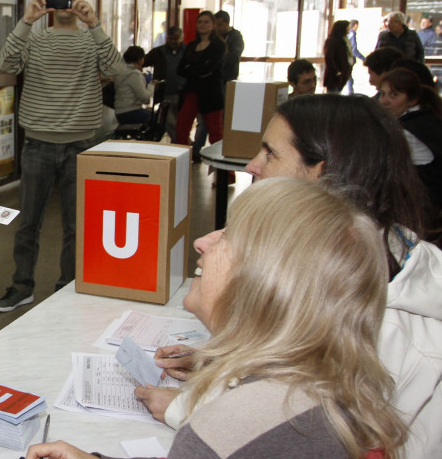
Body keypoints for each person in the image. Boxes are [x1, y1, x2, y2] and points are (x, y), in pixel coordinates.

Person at [26, 178, 407, 459]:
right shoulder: (335, 386)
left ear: (262, 282)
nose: (203, 241)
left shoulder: (228, 428)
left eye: (228, 236)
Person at [235, 95, 441, 459]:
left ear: (321, 174)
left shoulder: (383, 330)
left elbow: (309, 439)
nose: (253, 166)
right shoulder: (347, 268)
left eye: (270, 154)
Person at [0, 0, 125, 312]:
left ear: (82, 0)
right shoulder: (36, 38)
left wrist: (95, 24)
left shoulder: (90, 40)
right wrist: (26, 19)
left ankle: (68, 287)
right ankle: (22, 286)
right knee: (28, 224)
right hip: (37, 143)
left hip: (81, 146)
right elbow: (4, 63)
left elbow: (117, 68)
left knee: (76, 225)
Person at [379, 68, 442, 210]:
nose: (384, 101)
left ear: (412, 100)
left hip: (425, 206)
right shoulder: (429, 117)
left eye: (394, 95)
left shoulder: (406, 131)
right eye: (382, 94)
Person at [190, 11, 243, 160]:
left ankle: (221, 154)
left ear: (226, 23)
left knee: (219, 122)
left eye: (219, 24)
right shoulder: (210, 40)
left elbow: (233, 56)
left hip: (226, 83)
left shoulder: (235, 38)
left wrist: (216, 61)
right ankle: (196, 150)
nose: (217, 28)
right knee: (204, 121)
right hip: (209, 85)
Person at [174, 10, 225, 148]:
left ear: (213, 25)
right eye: (200, 22)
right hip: (191, 91)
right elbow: (181, 69)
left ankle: (223, 170)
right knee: (181, 130)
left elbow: (208, 69)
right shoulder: (191, 45)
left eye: (206, 22)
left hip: (211, 94)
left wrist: (193, 68)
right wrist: (199, 70)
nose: (202, 25)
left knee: (216, 133)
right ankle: (181, 165)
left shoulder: (218, 45)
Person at [143, 26, 186, 140]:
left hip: (182, 92)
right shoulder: (158, 51)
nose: (172, 41)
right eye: (170, 38)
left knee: (181, 122)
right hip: (164, 93)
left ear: (182, 37)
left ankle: (183, 142)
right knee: (169, 121)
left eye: (175, 38)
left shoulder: (187, 51)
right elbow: (142, 61)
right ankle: (181, 143)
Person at [113, 45, 155, 124]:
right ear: (140, 60)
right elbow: (144, 96)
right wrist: (151, 85)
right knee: (158, 119)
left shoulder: (121, 71)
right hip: (131, 111)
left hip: (120, 112)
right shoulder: (134, 74)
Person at [322, 19, 352, 93]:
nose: (348, 30)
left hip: (342, 75)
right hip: (334, 76)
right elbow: (329, 58)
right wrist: (337, 71)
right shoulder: (332, 41)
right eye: (347, 28)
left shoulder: (345, 40)